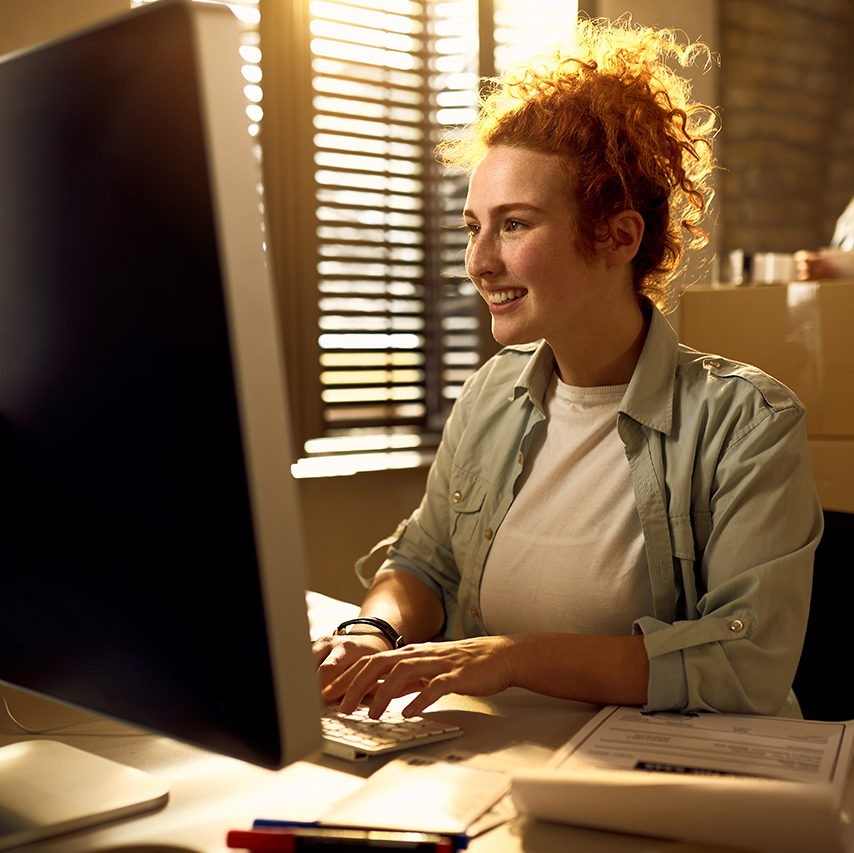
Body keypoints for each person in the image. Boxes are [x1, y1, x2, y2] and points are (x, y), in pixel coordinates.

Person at [313, 18, 823, 721]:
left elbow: (745, 660)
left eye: (514, 224)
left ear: (618, 236)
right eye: (473, 226)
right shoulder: (493, 393)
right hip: (492, 766)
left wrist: (511, 655)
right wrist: (371, 631)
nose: (479, 260)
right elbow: (425, 562)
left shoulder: (747, 423)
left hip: (670, 786)